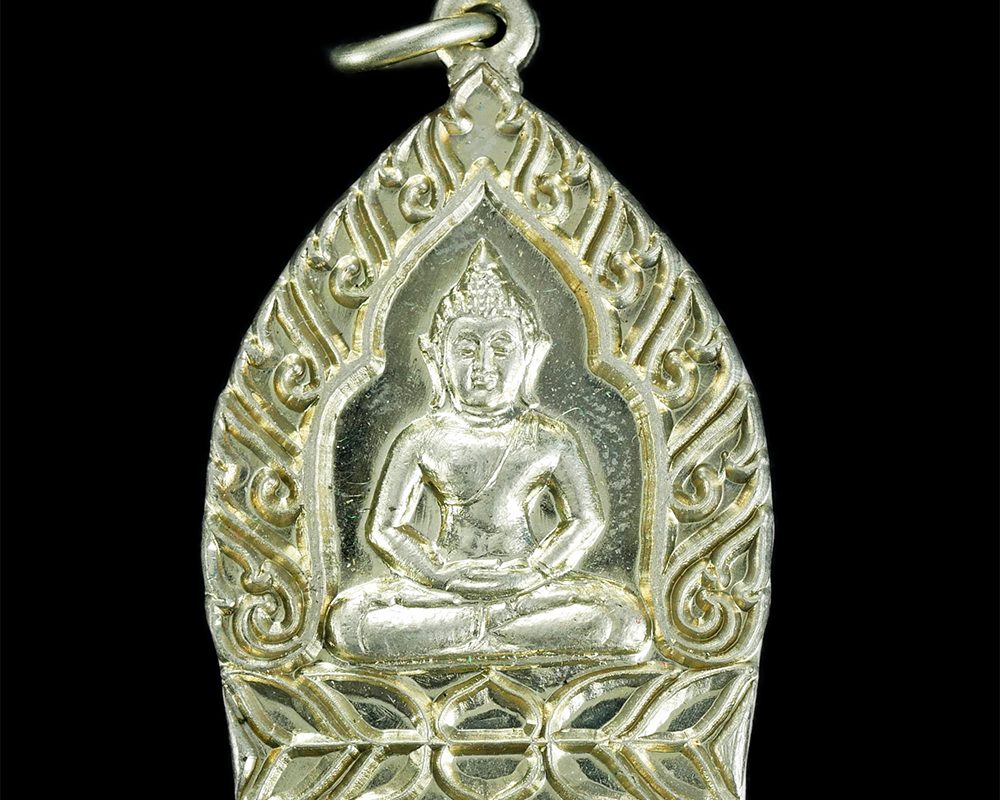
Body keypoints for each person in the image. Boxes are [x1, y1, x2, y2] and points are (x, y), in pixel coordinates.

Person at [327, 239, 649, 661]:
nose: (483, 366)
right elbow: (385, 529)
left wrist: (534, 571)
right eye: (466, 349)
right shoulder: (421, 437)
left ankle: (470, 631)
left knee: (623, 616)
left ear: (532, 354)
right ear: (435, 357)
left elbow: (586, 519)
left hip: (529, 585)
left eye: (501, 348)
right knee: (348, 620)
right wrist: (439, 575)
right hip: (442, 587)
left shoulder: (549, 437)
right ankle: (493, 629)